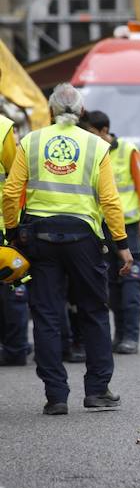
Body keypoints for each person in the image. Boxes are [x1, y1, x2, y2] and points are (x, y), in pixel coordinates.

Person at [2, 83, 133, 416]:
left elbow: (11, 191)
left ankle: (56, 396)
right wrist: (121, 244)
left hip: (40, 238)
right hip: (84, 239)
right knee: (93, 311)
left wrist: (15, 232)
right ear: (82, 113)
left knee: (46, 315)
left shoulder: (31, 142)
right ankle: (98, 391)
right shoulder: (95, 146)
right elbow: (110, 201)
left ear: (49, 111)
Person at [82, 110, 140, 355]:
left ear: (104, 131)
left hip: (129, 226)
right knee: (111, 283)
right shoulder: (91, 150)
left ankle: (131, 337)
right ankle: (119, 336)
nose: (88, 136)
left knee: (130, 283)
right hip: (101, 227)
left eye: (92, 133)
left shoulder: (127, 150)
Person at [0, 102, 30, 366]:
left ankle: (15, 347)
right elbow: (15, 180)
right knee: (12, 285)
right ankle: (16, 347)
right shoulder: (2, 128)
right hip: (2, 228)